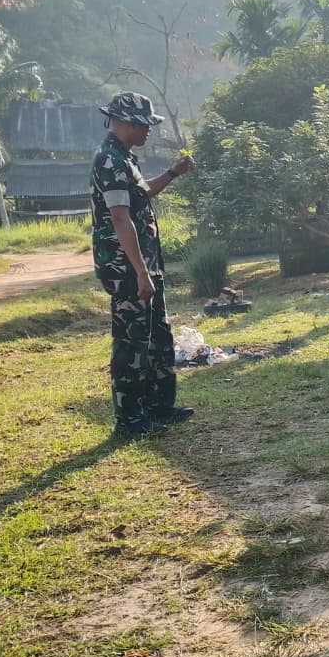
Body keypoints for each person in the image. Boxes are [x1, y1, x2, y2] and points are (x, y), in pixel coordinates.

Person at [90, 92, 195, 437]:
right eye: (143, 125)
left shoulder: (125, 158)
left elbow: (143, 192)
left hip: (143, 264)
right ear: (124, 123)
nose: (149, 130)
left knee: (157, 337)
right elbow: (120, 218)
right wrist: (139, 272)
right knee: (132, 342)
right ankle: (130, 419)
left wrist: (173, 172)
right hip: (126, 268)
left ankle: (159, 407)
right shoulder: (109, 161)